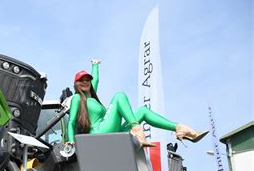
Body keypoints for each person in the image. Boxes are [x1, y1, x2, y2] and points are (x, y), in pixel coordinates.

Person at [67, 59, 208, 147]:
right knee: (119, 96)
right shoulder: (77, 99)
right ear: (76, 84)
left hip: (111, 132)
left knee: (142, 111)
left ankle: (179, 128)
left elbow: (96, 80)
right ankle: (136, 129)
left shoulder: (92, 97)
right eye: (81, 80)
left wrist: (95, 65)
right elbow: (72, 122)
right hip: (98, 134)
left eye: (87, 79)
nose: (85, 82)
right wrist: (71, 143)